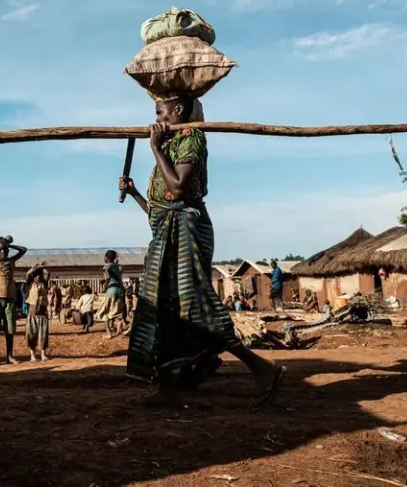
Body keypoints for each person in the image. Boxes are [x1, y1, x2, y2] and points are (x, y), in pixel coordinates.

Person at [118, 95, 285, 408]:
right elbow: (160, 210)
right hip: (168, 232)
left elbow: (179, 190)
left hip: (188, 233)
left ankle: (263, 369)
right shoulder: (170, 144)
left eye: (160, 111)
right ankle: (167, 388)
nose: (156, 119)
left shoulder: (191, 138)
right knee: (161, 308)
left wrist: (154, 148)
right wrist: (135, 192)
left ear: (179, 110)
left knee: (196, 306)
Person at [0, 237, 27, 365]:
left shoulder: (11, 261)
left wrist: (9, 244)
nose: (3, 252)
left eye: (5, 249)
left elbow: (23, 249)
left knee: (10, 329)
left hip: (9, 300)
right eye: (0, 250)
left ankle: (9, 356)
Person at [96, 250, 128, 339]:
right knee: (115, 310)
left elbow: (108, 277)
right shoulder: (118, 266)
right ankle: (121, 323)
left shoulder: (106, 266)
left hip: (111, 289)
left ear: (106, 257)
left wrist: (104, 286)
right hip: (119, 289)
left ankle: (108, 333)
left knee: (103, 311)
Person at [25, 263, 51, 361]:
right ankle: (32, 355)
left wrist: (42, 267)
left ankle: (43, 354)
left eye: (39, 274)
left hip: (42, 314)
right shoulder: (30, 283)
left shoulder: (44, 283)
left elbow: (47, 273)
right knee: (31, 335)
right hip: (33, 314)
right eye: (35, 275)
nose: (37, 277)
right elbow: (27, 274)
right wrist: (34, 268)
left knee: (43, 334)